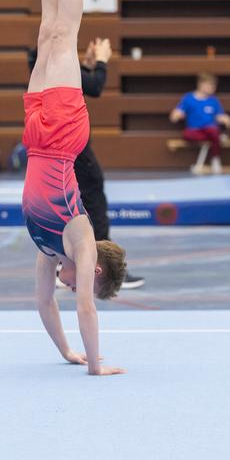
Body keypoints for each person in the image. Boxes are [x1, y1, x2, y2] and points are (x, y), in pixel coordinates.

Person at [22, 0, 126, 376]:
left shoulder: (48, 252)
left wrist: (66, 352)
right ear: (95, 272)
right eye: (79, 282)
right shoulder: (81, 241)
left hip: (36, 137)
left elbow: (45, 306)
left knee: (47, 32)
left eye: (70, 283)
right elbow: (85, 307)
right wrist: (94, 364)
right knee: (66, 34)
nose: (68, 285)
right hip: (62, 138)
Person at [28, 40, 144, 290]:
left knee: (77, 198)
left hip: (53, 142)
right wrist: (101, 62)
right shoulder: (52, 65)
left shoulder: (44, 65)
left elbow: (79, 82)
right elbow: (94, 86)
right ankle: (95, 259)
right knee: (91, 192)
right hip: (66, 143)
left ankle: (69, 260)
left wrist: (86, 66)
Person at [170, 72, 230, 174]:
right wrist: (176, 115)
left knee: (212, 131)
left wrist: (226, 119)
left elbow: (219, 115)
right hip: (194, 130)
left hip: (209, 129)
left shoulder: (213, 101)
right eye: (209, 85)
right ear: (201, 84)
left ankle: (215, 159)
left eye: (213, 85)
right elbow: (177, 112)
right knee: (188, 134)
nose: (212, 88)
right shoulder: (188, 98)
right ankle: (216, 138)